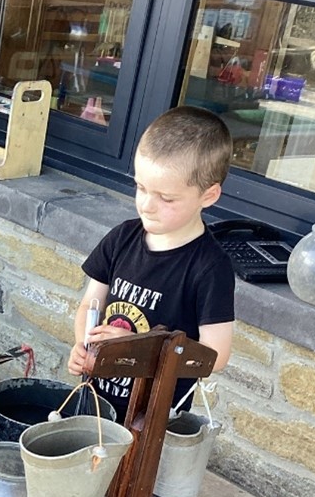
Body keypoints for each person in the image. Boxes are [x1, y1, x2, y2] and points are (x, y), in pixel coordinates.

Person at [68, 105, 235, 422]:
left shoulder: (210, 267)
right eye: (141, 188)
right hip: (95, 400)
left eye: (167, 198)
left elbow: (215, 357)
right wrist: (83, 344)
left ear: (209, 195)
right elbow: (89, 305)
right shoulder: (122, 238)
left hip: (153, 417)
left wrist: (135, 349)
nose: (147, 204)